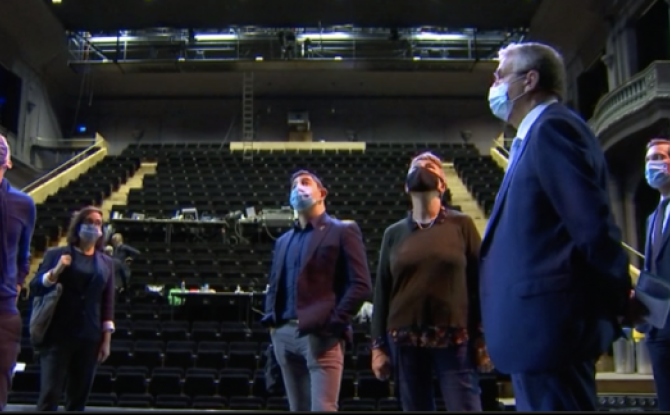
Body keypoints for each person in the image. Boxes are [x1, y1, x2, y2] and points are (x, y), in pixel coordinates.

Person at [479, 41, 642, 411]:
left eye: (500, 76)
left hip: (552, 329)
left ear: (529, 80)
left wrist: (620, 297)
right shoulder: (531, 137)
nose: (494, 85)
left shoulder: (553, 129)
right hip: (538, 332)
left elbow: (591, 225)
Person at [370, 152, 488, 411]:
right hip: (405, 339)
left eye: (430, 166)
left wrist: (483, 337)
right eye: (416, 167)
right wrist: (378, 346)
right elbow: (382, 292)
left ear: (442, 184)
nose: (422, 168)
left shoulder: (462, 225)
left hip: (455, 337)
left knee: (465, 406)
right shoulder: (393, 233)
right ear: (406, 186)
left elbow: (480, 283)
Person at [261, 170, 372, 411]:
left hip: (321, 336)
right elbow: (274, 285)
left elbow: (361, 285)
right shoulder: (283, 241)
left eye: (305, 182)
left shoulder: (342, 230)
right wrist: (273, 326)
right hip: (284, 335)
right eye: (294, 185)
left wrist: (334, 324)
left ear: (322, 193)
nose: (297, 188)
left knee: (323, 408)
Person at [30, 206, 115, 412]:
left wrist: (106, 340)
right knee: (50, 395)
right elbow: (35, 287)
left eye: (98, 223)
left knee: (78, 399)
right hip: (58, 335)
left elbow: (107, 303)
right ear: (78, 226)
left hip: (89, 336)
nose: (94, 226)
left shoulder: (106, 263)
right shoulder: (56, 254)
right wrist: (56, 271)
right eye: (89, 222)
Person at [0, 134, 36, 410]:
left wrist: (16, 286)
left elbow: (24, 257)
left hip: (4, 308)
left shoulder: (23, 204)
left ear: (8, 162)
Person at [639, 138, 670, 410]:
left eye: (659, 158)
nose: (652, 165)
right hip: (659, 328)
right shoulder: (652, 218)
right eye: (649, 160)